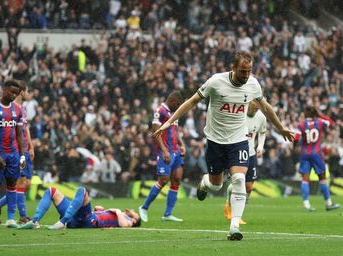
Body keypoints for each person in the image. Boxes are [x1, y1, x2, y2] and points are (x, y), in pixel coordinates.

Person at [154, 52, 295, 240]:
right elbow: (192, 101)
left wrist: (281, 128)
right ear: (233, 68)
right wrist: (169, 122)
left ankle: (234, 227)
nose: (246, 75)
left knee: (238, 179)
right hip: (215, 141)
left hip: (239, 140)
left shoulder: (253, 84)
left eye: (249, 71)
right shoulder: (215, 82)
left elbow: (267, 108)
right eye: (243, 71)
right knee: (216, 185)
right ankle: (205, 182)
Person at [0, 79, 26, 229]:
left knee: (12, 185)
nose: (14, 95)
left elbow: (20, 135)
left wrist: (22, 156)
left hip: (13, 154)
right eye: (12, 92)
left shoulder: (18, 110)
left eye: (16, 93)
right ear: (4, 89)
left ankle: (10, 219)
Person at [139, 91, 185, 222]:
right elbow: (155, 132)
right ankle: (144, 207)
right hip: (166, 151)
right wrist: (164, 150)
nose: (178, 106)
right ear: (172, 101)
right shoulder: (161, 111)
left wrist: (182, 144)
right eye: (178, 104)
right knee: (163, 179)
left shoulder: (173, 113)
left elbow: (175, 131)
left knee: (176, 179)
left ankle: (168, 214)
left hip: (176, 151)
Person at [224, 101, 267, 224]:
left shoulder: (261, 117)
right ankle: (231, 209)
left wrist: (260, 146)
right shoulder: (239, 114)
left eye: (258, 107)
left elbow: (262, 132)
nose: (256, 108)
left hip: (251, 154)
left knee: (249, 187)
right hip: (237, 153)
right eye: (254, 106)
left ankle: (237, 212)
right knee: (239, 183)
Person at [19, 186, 141, 229]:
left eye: (136, 214)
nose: (134, 211)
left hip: (89, 221)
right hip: (81, 217)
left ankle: (62, 222)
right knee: (52, 191)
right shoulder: (122, 215)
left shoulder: (129, 221)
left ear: (135, 220)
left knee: (82, 191)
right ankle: (35, 221)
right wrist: (100, 210)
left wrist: (118, 211)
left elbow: (124, 225)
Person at [0, 81, 34, 223]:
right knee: (20, 182)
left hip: (25, 148)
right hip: (18, 149)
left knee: (26, 184)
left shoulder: (22, 109)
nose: (28, 94)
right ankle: (23, 216)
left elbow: (26, 129)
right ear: (22, 92)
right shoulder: (11, 109)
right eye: (27, 91)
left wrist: (31, 146)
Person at [296, 106, 340, 211]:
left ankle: (306, 205)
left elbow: (296, 137)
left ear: (306, 114)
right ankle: (328, 203)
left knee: (305, 180)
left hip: (304, 154)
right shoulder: (319, 122)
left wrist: (297, 146)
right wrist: (319, 114)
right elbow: (331, 123)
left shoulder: (301, 125)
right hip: (316, 154)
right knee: (322, 178)